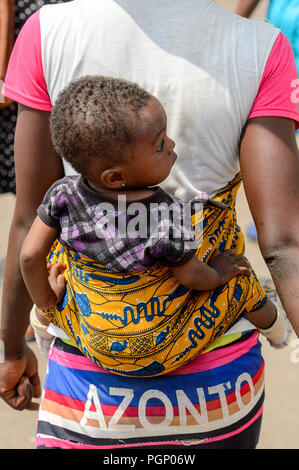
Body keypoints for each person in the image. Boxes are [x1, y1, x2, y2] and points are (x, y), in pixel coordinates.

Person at [0, 0, 299, 449]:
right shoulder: (260, 47)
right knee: (241, 282)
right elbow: (283, 246)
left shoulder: (46, 32)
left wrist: (11, 348)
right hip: (218, 393)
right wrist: (221, 274)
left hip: (89, 395)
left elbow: (27, 226)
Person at [19, 75, 288, 377]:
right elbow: (193, 277)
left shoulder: (63, 194)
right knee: (242, 283)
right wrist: (219, 271)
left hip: (92, 337)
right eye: (160, 145)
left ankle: (45, 324)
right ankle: (278, 331)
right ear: (114, 176)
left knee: (55, 262)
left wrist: (47, 300)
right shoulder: (165, 215)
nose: (172, 145)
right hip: (156, 353)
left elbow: (29, 256)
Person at [236, 0, 299, 242]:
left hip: (280, 34)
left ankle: (281, 219)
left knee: (276, 129)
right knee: (277, 128)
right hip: (282, 40)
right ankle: (279, 215)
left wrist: (237, 25)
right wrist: (237, 25)